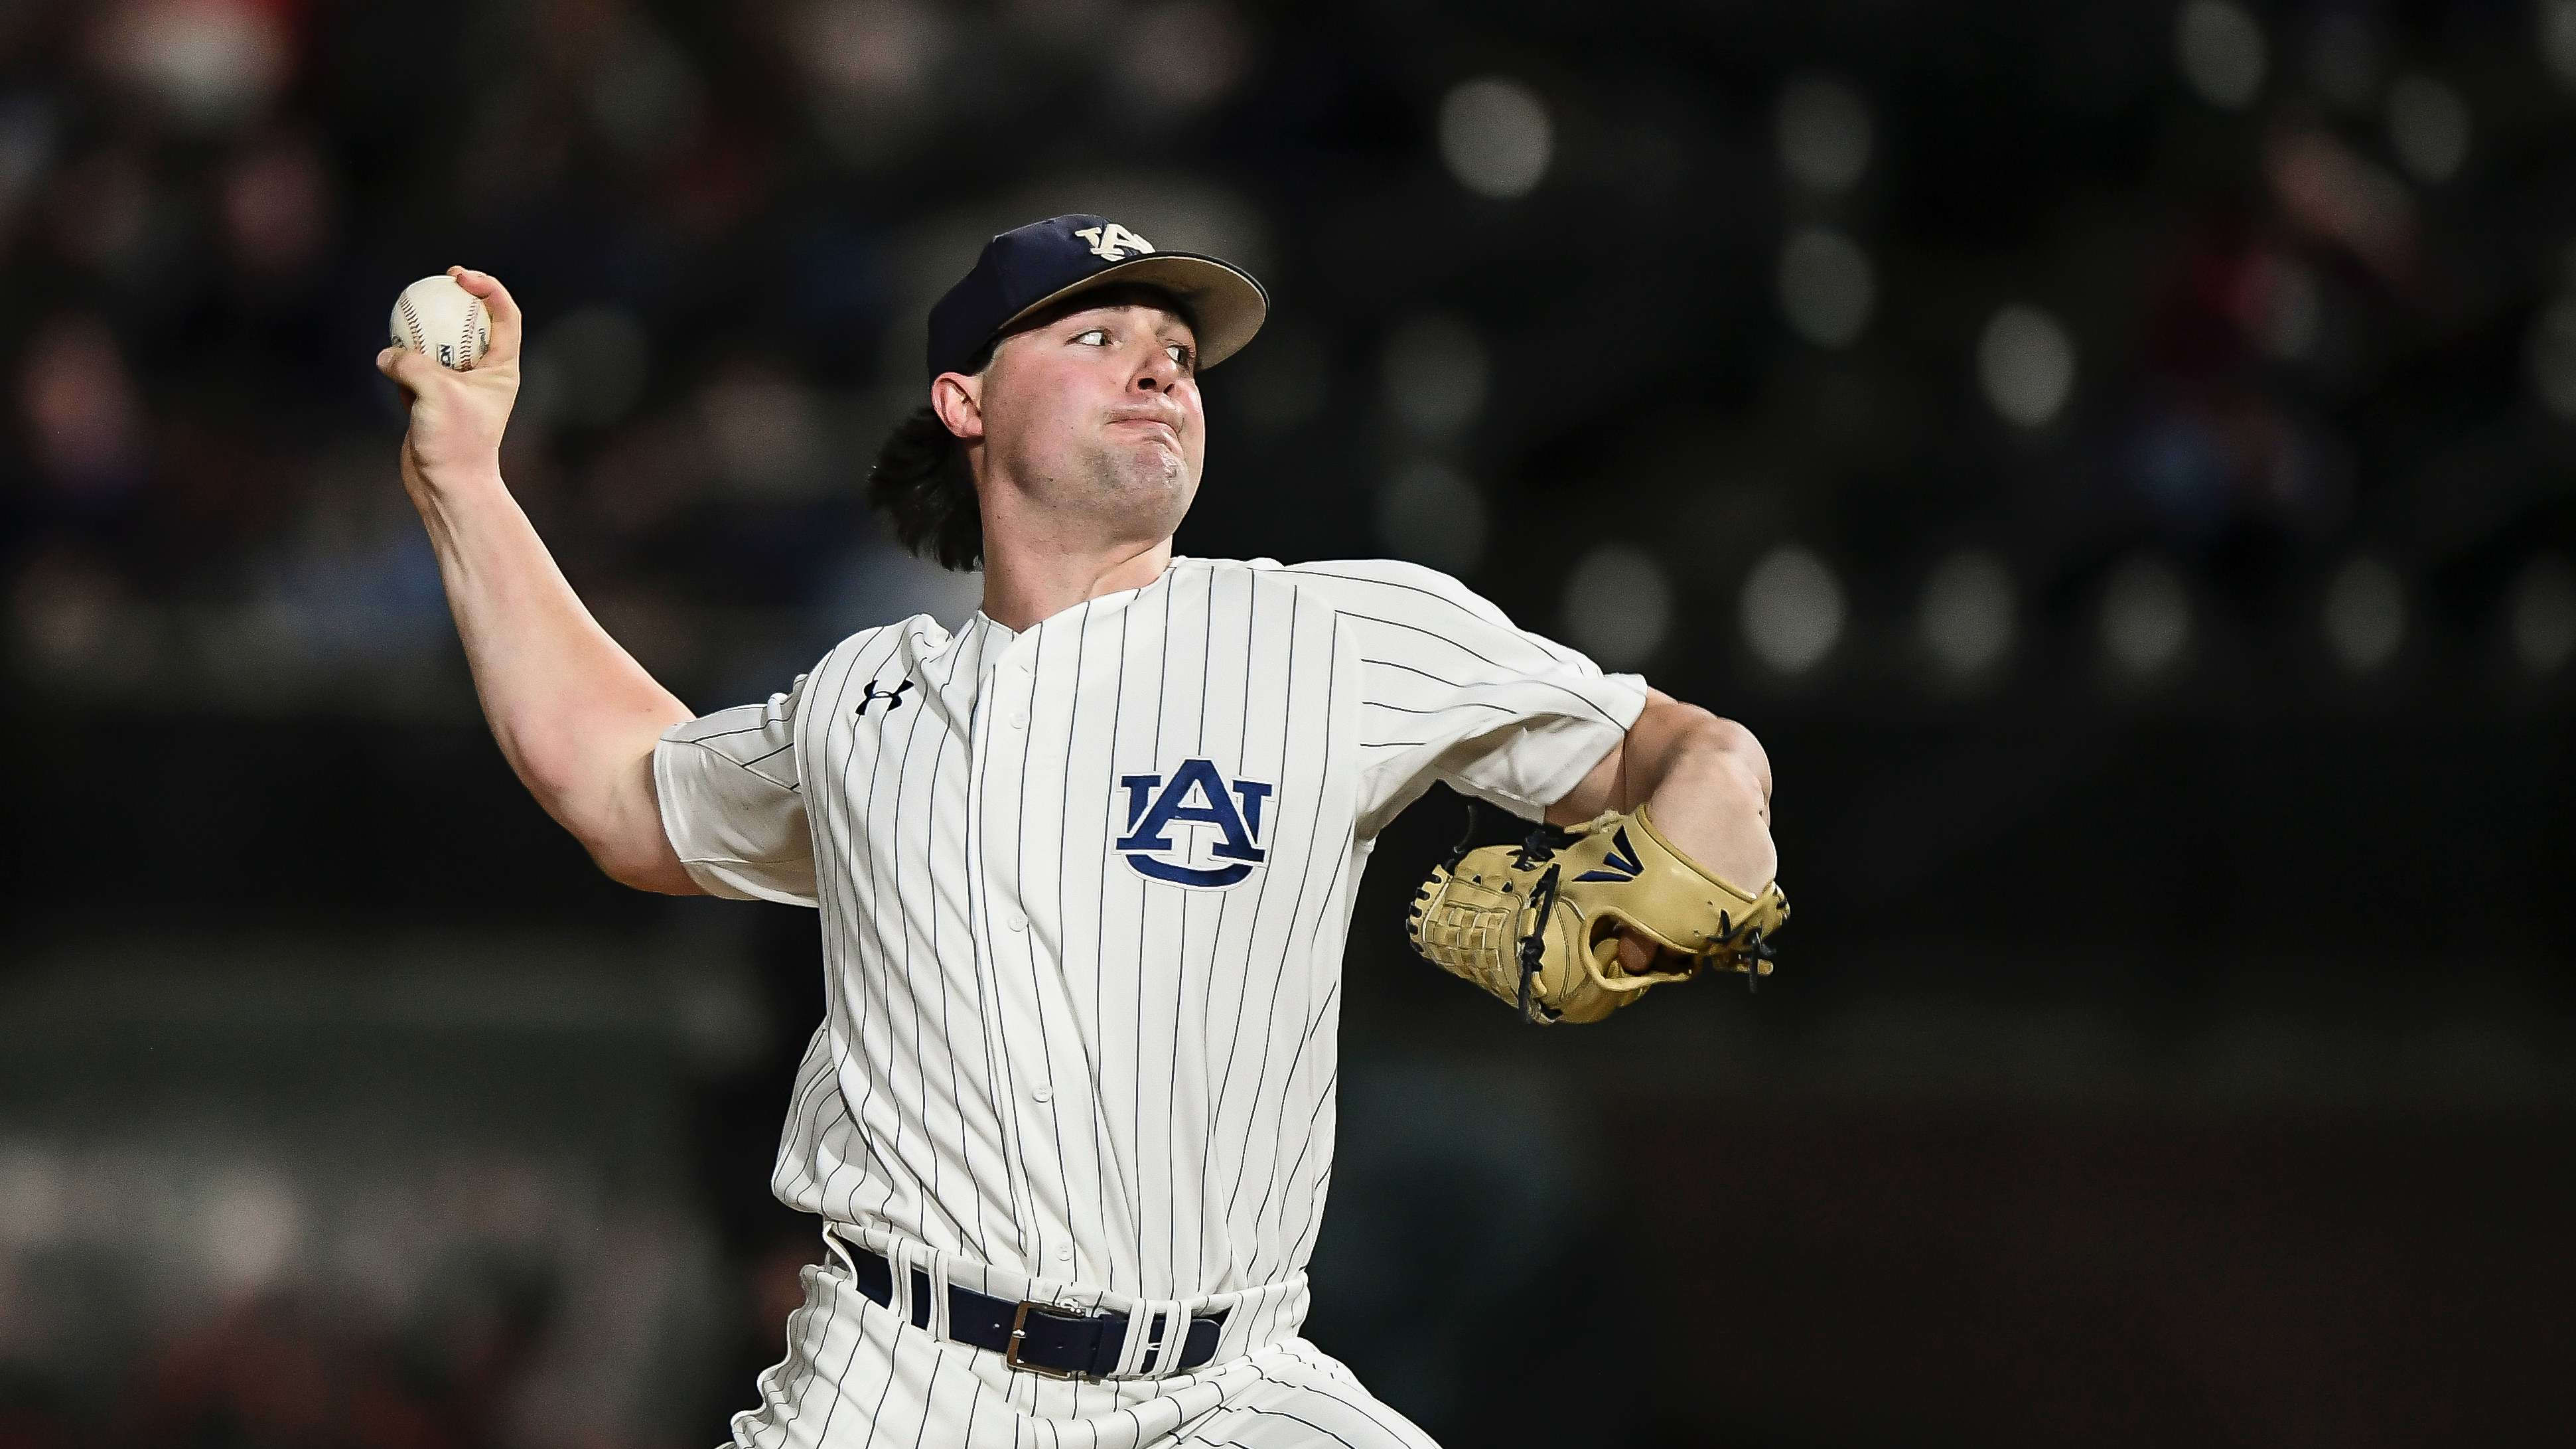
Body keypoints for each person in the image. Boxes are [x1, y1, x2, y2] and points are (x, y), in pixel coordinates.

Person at [375, 214, 1778, 1448]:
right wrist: (466, 484)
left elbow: (1684, 749)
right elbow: (625, 789)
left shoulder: (1329, 635)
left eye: (1177, 347)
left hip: (1232, 1389)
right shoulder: (868, 704)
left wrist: (1716, 820)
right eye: (1098, 335)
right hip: (904, 1383)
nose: (1160, 365)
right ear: (963, 401)